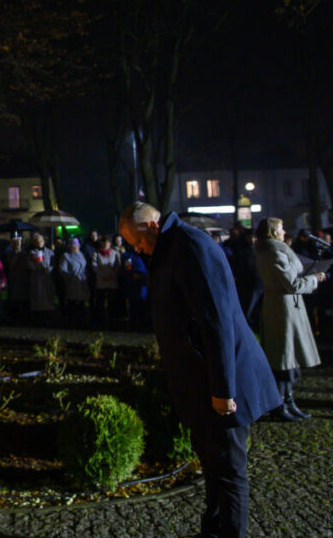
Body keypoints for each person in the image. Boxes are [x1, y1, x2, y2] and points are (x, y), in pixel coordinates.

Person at [120, 202, 280, 538]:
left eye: (136, 241)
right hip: (202, 382)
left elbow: (216, 320)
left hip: (223, 383)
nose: (137, 249)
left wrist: (223, 390)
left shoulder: (189, 246)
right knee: (213, 467)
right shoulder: (172, 247)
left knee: (229, 472)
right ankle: (213, 531)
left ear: (151, 226)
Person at [254, 218, 325, 422]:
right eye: (281, 228)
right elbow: (290, 284)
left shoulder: (269, 250)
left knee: (287, 358)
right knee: (283, 358)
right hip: (283, 309)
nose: (285, 231)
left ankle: (288, 400)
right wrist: (314, 279)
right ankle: (280, 403)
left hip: (284, 307)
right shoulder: (274, 251)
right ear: (273, 232)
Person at [56, 238, 89, 328]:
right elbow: (62, 270)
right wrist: (71, 277)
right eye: (73, 246)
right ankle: (72, 322)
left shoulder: (81, 255)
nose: (74, 248)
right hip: (72, 283)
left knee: (81, 303)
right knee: (72, 303)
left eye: (76, 246)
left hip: (81, 283)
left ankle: (81, 321)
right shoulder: (66, 256)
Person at [90, 235, 122, 329]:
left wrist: (112, 275)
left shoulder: (115, 253)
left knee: (112, 302)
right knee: (100, 302)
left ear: (110, 243)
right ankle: (101, 321)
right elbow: (94, 265)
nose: (105, 244)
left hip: (112, 281)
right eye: (104, 242)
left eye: (107, 242)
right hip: (101, 281)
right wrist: (103, 275)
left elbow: (117, 265)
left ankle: (112, 320)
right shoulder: (96, 253)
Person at [27, 233, 56, 326]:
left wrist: (49, 269)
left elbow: (53, 264)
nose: (39, 243)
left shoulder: (50, 252)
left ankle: (48, 317)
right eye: (37, 241)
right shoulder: (32, 253)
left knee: (47, 297)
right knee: (38, 298)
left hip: (47, 278)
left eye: (41, 241)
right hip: (37, 279)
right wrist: (37, 266)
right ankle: (38, 318)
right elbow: (29, 265)